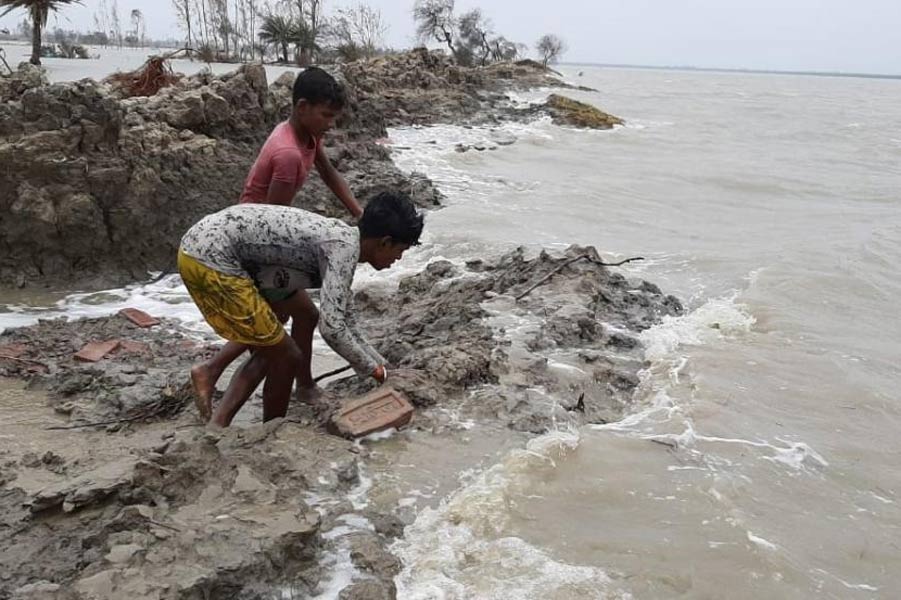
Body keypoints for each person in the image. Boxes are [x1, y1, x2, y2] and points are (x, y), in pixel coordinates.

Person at [190, 67, 362, 419]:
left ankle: (300, 384)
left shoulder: (306, 137)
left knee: (299, 316)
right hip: (252, 246)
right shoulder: (287, 154)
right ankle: (219, 373)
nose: (330, 123)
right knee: (279, 323)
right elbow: (272, 221)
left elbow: (329, 173)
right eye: (326, 115)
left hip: (254, 233)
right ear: (302, 107)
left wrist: (360, 214)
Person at [178, 192, 424, 427]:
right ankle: (268, 428)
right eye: (400, 251)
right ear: (385, 242)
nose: (399, 259)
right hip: (210, 259)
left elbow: (345, 317)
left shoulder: (344, 239)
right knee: (286, 355)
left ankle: (295, 389)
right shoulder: (342, 250)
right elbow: (333, 329)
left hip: (214, 248)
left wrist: (382, 366)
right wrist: (374, 371)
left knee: (301, 319)